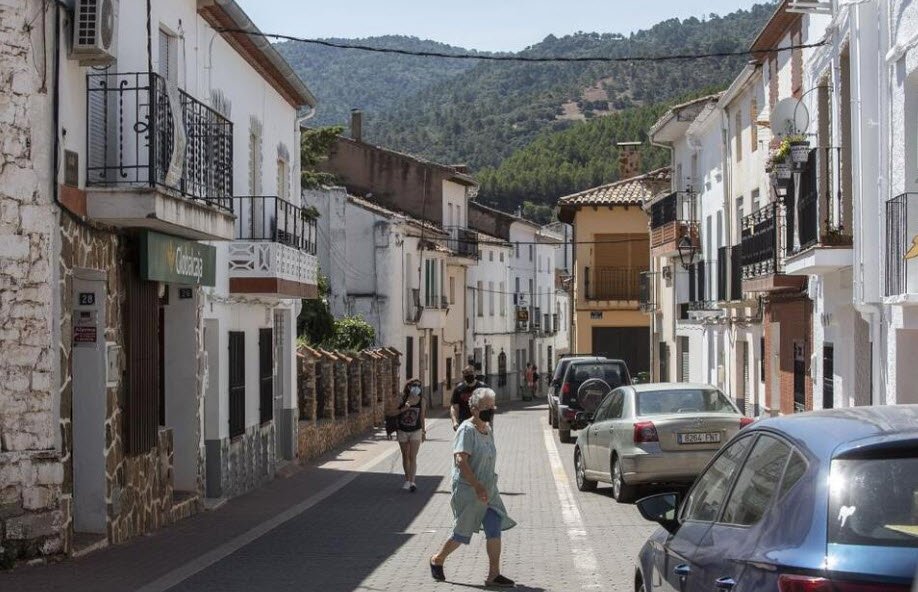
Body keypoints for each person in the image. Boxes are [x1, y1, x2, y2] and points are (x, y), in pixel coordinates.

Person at [430, 388, 516, 587]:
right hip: (469, 491)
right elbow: (461, 460)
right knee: (462, 533)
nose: (492, 409)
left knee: (494, 528)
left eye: (493, 405)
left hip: (489, 491)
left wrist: (486, 486)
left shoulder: (487, 429)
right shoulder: (466, 430)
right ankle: (438, 559)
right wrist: (477, 486)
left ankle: (494, 574)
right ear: (475, 409)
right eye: (487, 407)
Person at [395, 379, 426, 492]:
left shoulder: (422, 400)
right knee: (405, 455)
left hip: (416, 431)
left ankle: (412, 482)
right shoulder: (402, 399)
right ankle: (407, 480)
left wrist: (423, 431)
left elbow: (422, 417)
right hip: (402, 431)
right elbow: (393, 413)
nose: (417, 387)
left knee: (412, 456)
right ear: (409, 386)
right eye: (414, 385)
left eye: (419, 386)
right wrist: (404, 408)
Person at [451, 365, 487, 431]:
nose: (469, 374)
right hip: (463, 424)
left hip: (480, 424)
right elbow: (454, 407)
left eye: (471, 372)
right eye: (466, 373)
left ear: (475, 373)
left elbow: (489, 406)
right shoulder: (458, 389)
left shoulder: (483, 387)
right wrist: (455, 422)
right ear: (463, 374)